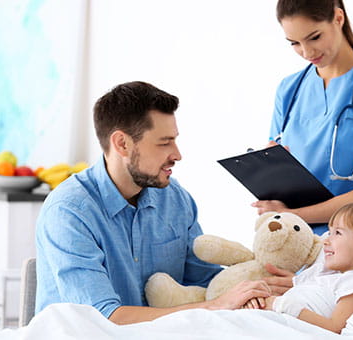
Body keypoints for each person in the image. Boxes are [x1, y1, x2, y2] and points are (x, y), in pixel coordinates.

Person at [35, 81, 271, 325]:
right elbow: (103, 320)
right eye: (164, 142)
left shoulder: (175, 200)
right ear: (122, 144)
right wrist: (214, 306)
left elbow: (205, 283)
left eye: (174, 140)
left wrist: (257, 285)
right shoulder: (68, 212)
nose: (177, 154)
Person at [251, 0, 353, 235]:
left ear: (338, 18)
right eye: (294, 43)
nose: (307, 52)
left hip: (347, 241)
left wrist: (293, 216)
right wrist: (270, 172)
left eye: (314, 37)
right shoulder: (289, 90)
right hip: (288, 237)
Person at [245, 203, 353, 333]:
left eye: (337, 233)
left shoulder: (352, 281)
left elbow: (335, 328)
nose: (326, 241)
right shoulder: (323, 274)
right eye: (329, 232)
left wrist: (283, 305)